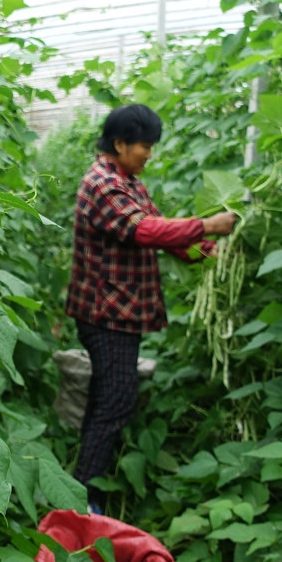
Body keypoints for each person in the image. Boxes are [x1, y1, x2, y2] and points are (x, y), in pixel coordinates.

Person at [65, 103, 237, 515]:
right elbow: (143, 230)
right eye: (144, 146)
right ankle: (85, 498)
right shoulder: (102, 183)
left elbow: (161, 232)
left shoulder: (130, 182)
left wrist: (209, 252)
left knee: (108, 397)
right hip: (106, 313)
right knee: (118, 399)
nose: (149, 154)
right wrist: (207, 225)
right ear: (120, 143)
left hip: (121, 312)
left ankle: (80, 489)